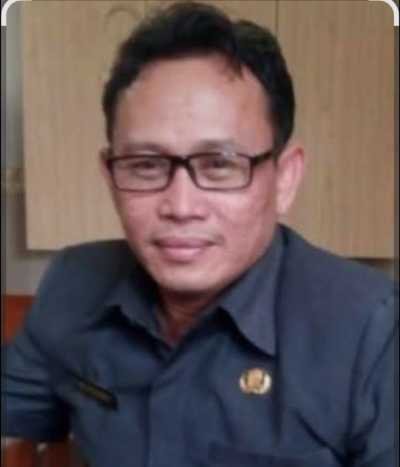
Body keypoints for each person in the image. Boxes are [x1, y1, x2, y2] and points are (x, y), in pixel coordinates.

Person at [2, 2, 397, 466]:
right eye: (146, 165)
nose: (181, 206)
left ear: (285, 178)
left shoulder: (373, 332)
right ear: (110, 175)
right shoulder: (75, 283)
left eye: (220, 165)